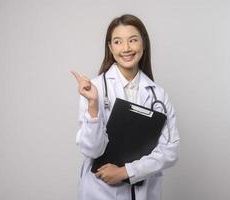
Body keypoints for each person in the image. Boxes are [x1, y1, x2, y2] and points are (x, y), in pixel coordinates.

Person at [71, 14, 180, 200]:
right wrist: (93, 106)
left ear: (143, 44)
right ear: (110, 48)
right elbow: (91, 150)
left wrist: (126, 172)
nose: (126, 48)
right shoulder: (95, 89)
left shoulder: (158, 94)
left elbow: (170, 151)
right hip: (100, 192)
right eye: (118, 42)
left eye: (133, 40)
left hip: (144, 192)